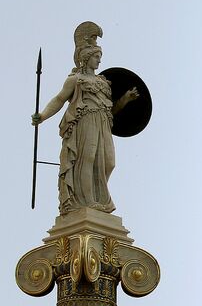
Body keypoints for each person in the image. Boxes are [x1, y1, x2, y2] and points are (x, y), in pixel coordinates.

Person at [32, 22, 138, 214]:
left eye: (100, 57)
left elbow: (110, 110)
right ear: (86, 57)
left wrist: (125, 99)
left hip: (103, 123)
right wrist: (42, 115)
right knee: (87, 158)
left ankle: (97, 196)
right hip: (86, 121)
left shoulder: (103, 82)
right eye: (96, 57)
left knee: (108, 161)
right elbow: (59, 99)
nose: (99, 61)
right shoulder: (75, 80)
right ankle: (88, 201)